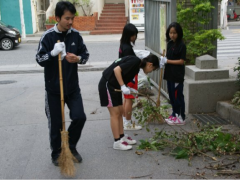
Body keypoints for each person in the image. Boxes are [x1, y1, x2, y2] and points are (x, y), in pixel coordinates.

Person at [36, 1, 89, 166]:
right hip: (53, 89)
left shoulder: (76, 35)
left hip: (72, 88)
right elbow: (39, 58)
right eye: (67, 18)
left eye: (72, 18)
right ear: (57, 18)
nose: (70, 22)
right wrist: (52, 53)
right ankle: (57, 152)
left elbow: (85, 55)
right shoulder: (48, 37)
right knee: (56, 124)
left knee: (80, 117)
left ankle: (71, 147)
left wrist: (78, 59)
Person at [98, 55, 159, 150]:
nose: (151, 71)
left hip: (115, 86)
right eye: (153, 69)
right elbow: (117, 70)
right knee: (115, 114)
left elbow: (124, 75)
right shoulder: (135, 62)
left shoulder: (137, 67)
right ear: (150, 65)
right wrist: (123, 86)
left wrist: (127, 87)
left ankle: (122, 137)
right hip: (108, 84)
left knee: (120, 112)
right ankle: (117, 142)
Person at [159, 22, 186, 125]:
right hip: (169, 74)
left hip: (177, 75)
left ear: (178, 33)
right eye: (170, 33)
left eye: (174, 33)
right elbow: (168, 58)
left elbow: (181, 61)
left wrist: (167, 61)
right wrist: (163, 61)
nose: (172, 35)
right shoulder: (170, 43)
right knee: (171, 95)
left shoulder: (182, 45)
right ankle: (174, 114)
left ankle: (181, 117)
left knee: (177, 95)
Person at [119, 23, 142, 131]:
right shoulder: (127, 48)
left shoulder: (123, 45)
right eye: (134, 35)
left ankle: (125, 120)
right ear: (129, 35)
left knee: (126, 98)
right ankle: (128, 123)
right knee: (130, 99)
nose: (135, 37)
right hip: (130, 76)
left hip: (125, 75)